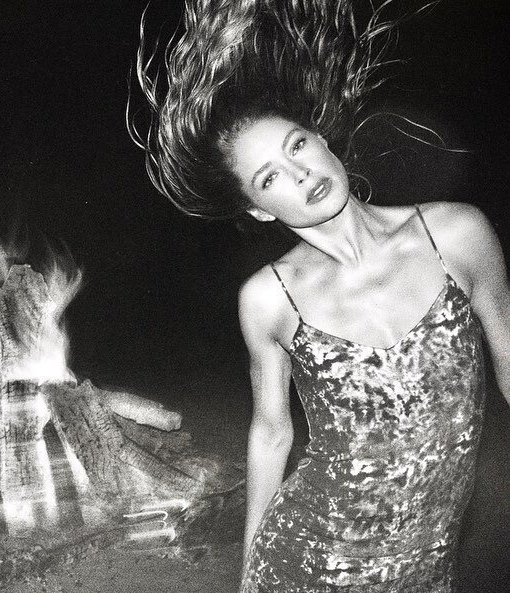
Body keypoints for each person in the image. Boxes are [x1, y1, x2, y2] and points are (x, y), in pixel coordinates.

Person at [132, 1, 510, 591]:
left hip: (426, 567)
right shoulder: (269, 299)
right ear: (260, 209)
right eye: (269, 177)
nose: (300, 173)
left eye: (298, 145)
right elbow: (271, 432)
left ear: (325, 143)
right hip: (303, 563)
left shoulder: (457, 235)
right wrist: (250, 573)